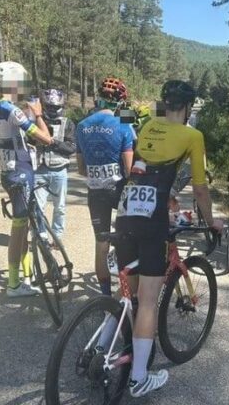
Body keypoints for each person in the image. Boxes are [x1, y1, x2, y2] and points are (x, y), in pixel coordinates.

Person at [113, 80, 224, 398]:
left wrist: (167, 202)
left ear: (165, 103)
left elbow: (143, 171)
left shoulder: (149, 125)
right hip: (152, 221)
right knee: (148, 301)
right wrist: (211, 221)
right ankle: (138, 378)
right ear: (188, 107)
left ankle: (103, 346)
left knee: (126, 294)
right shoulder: (192, 136)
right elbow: (200, 189)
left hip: (126, 211)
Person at [0, 61, 57, 297]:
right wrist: (38, 115)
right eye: (22, 82)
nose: (24, 87)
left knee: (25, 227)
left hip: (8, 171)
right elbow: (46, 138)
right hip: (21, 172)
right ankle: (13, 284)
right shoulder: (13, 110)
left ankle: (27, 277)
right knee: (19, 229)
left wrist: (6, 143)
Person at [75, 77, 134, 296]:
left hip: (96, 193)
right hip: (120, 191)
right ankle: (127, 293)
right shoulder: (124, 124)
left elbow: (81, 169)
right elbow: (129, 169)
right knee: (126, 242)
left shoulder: (82, 125)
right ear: (120, 102)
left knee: (101, 244)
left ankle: (105, 296)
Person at [33, 89, 77, 253]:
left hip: (60, 170)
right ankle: (41, 237)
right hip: (39, 169)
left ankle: (57, 237)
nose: (52, 110)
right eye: (49, 106)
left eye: (55, 107)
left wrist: (52, 142)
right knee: (38, 207)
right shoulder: (35, 122)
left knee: (60, 207)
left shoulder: (68, 123)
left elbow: (71, 147)